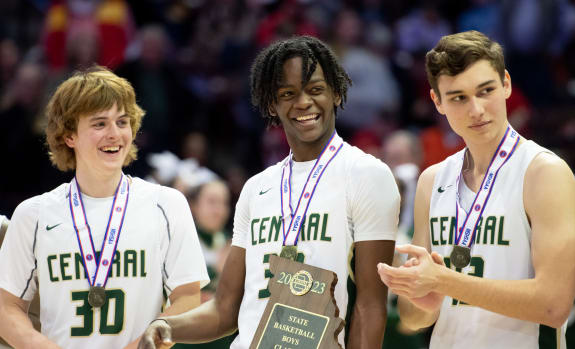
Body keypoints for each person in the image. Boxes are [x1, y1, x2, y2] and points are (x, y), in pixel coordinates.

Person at [138, 35, 400, 348]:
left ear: (336, 93)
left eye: (315, 89)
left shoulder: (367, 175)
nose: (303, 102)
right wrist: (165, 324)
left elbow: (370, 305)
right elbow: (224, 311)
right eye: (288, 94)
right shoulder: (257, 188)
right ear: (272, 104)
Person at [377, 30, 575, 348]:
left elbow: (553, 305)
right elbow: (413, 318)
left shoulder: (543, 173)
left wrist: (446, 281)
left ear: (507, 84)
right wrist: (423, 297)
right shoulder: (432, 181)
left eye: (485, 91)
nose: (476, 109)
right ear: (437, 102)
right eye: (459, 97)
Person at [0, 66, 209, 349]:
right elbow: (6, 306)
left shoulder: (167, 204)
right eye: (99, 124)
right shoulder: (33, 214)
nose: (115, 134)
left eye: (122, 122)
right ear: (69, 135)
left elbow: (187, 297)